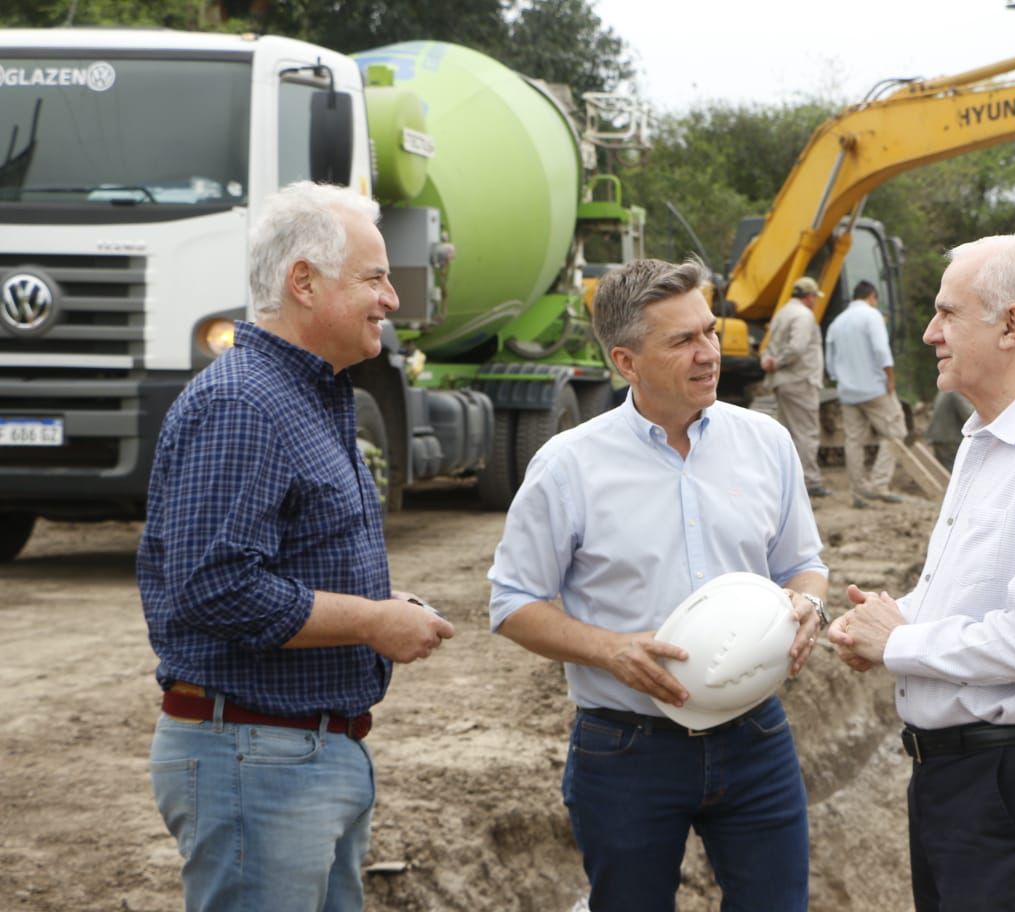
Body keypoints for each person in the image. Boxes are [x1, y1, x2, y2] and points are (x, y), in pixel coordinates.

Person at [137, 181, 455, 910]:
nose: (391, 299)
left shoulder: (305, 395)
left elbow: (277, 564)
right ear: (303, 282)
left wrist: (380, 605)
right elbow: (214, 587)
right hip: (256, 758)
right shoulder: (245, 402)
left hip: (297, 755)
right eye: (375, 278)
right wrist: (372, 622)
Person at [488, 257, 829, 911]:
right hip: (626, 749)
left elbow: (802, 564)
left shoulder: (766, 443)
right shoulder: (569, 466)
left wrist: (808, 601)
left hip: (756, 737)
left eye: (708, 331)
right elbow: (511, 603)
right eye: (683, 341)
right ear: (626, 361)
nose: (709, 354)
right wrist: (611, 650)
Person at [827, 234, 1015, 910]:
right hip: (963, 779)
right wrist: (890, 620)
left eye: (948, 313)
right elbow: (969, 590)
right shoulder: (989, 438)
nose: (932, 333)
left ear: (1011, 325)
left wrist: (901, 644)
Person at [824, 279, 907, 507]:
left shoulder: (837, 323)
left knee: (853, 441)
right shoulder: (872, 316)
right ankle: (879, 484)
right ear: (872, 297)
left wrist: (842, 379)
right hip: (873, 388)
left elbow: (830, 363)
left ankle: (858, 492)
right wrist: (889, 377)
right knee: (895, 433)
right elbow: (881, 349)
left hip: (847, 391)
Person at [762, 274, 829, 497]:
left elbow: (771, 344)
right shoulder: (803, 316)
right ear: (809, 297)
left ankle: (787, 481)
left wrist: (770, 362)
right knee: (807, 432)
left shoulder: (782, 313)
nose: (815, 301)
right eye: (814, 297)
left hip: (783, 382)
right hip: (800, 380)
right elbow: (797, 348)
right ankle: (809, 481)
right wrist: (779, 362)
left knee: (788, 432)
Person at [925, 389, 974, 472]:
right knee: (954, 472)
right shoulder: (956, 391)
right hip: (950, 439)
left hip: (939, 436)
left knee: (942, 472)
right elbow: (969, 417)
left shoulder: (945, 389)